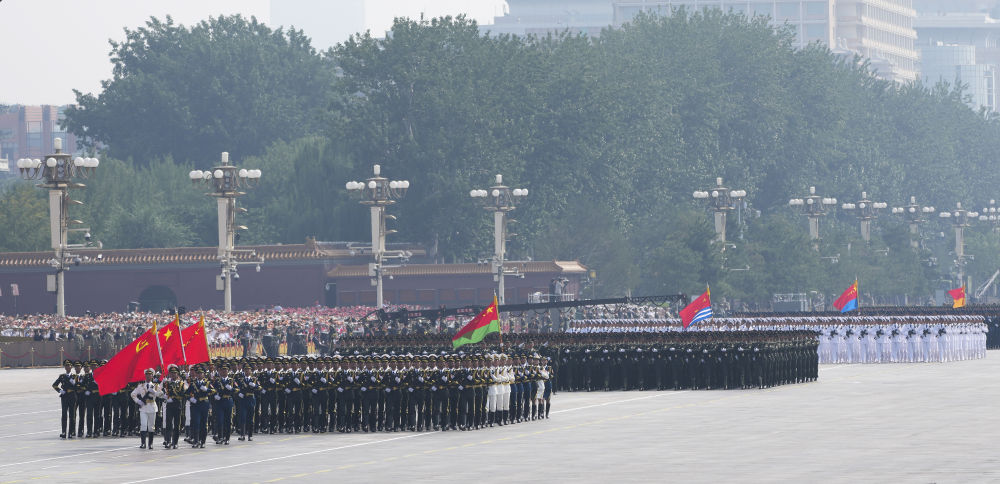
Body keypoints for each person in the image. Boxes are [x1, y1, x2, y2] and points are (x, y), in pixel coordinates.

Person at [130, 368, 161, 449]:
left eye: (150, 375)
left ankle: (150, 444)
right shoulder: (141, 386)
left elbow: (161, 395)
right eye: (146, 374)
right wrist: (138, 401)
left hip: (152, 407)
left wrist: (154, 392)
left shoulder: (156, 386)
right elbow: (133, 394)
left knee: (151, 426)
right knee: (143, 425)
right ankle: (143, 443)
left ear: (152, 376)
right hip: (143, 407)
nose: (148, 376)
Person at [160, 365, 187, 449]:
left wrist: (173, 398)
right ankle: (168, 441)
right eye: (171, 373)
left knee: (176, 425)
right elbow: (159, 391)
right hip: (169, 405)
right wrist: (164, 396)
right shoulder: (166, 383)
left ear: (177, 374)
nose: (173, 374)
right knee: (168, 424)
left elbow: (183, 394)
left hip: (177, 405)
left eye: (175, 373)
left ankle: (175, 442)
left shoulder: (181, 383)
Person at [52, 359, 79, 439]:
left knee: (72, 415)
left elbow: (78, 387)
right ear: (65, 367)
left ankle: (70, 432)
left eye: (69, 366)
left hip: (72, 396)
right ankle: (64, 432)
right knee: (64, 414)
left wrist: (74, 383)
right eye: (66, 366)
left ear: (71, 367)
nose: (68, 367)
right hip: (64, 396)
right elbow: (54, 385)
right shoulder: (62, 376)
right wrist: (60, 391)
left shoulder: (75, 376)